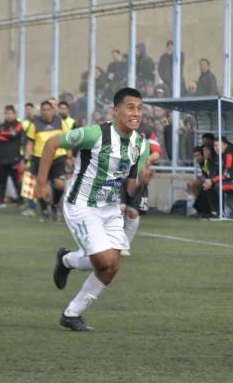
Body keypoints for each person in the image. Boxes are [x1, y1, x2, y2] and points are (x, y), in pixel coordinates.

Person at [35, 87, 152, 332]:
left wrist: (141, 180)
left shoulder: (141, 145)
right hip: (81, 204)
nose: (136, 113)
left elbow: (130, 190)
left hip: (110, 209)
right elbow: (52, 143)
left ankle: (72, 313)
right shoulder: (94, 134)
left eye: (140, 108)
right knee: (104, 259)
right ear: (116, 110)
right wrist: (41, 182)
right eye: (131, 107)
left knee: (112, 266)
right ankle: (67, 260)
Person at [118, 118, 161, 256]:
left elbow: (156, 153)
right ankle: (111, 243)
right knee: (119, 209)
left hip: (138, 176)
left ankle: (124, 245)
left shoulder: (147, 130)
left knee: (133, 212)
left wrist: (147, 159)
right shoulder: (118, 127)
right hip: (119, 175)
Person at [23, 100, 71, 223]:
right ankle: (44, 210)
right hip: (40, 158)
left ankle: (55, 205)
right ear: (40, 112)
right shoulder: (35, 124)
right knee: (41, 185)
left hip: (58, 157)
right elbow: (30, 142)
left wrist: (70, 156)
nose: (46, 112)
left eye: (48, 109)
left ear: (53, 110)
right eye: (43, 110)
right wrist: (26, 159)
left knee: (60, 184)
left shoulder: (60, 122)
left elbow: (69, 139)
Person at [0, 105, 24, 208]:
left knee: (17, 182)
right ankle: (1, 201)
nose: (9, 116)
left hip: (14, 158)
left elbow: (14, 135)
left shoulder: (19, 125)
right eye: (7, 114)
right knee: (1, 181)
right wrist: (8, 135)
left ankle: (21, 201)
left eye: (11, 113)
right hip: (1, 158)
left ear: (15, 114)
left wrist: (3, 135)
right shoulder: (1, 125)